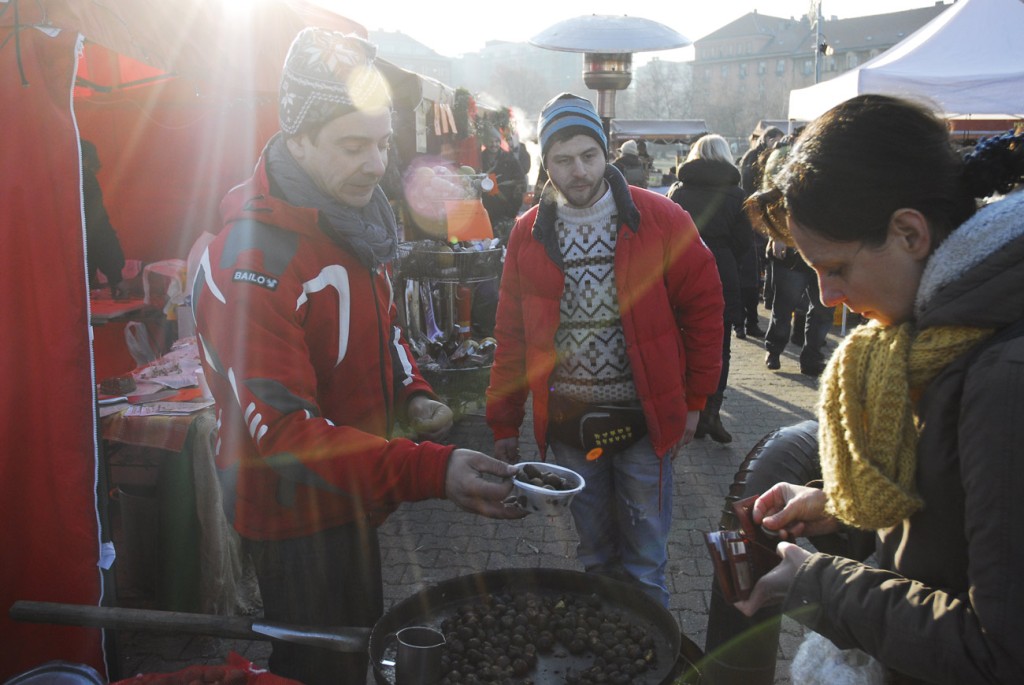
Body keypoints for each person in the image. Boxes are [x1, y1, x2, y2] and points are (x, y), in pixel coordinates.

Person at [190, 29, 525, 685]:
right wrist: (432, 470)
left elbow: (388, 328)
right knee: (319, 665)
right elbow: (288, 436)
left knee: (357, 646)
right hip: (292, 516)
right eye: (352, 144)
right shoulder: (252, 260)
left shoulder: (352, 215)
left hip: (352, 494)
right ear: (298, 137)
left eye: (381, 143)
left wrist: (413, 393)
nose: (376, 165)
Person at [730, 95, 1024, 684]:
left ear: (910, 233)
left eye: (835, 267)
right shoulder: (936, 339)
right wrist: (837, 509)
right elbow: (949, 521)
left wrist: (819, 585)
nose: (827, 296)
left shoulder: (1002, 378)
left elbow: (1000, 652)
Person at [485, 92, 724, 607]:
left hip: (645, 417)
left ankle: (651, 654)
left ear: (606, 152)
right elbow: (512, 335)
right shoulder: (527, 234)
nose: (578, 170)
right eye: (564, 159)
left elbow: (705, 311)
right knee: (596, 558)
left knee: (645, 564)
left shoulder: (661, 218)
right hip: (571, 425)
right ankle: (606, 653)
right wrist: (504, 422)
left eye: (589, 156)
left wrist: (696, 402)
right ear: (545, 164)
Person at [668, 134, 755, 444]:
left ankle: (684, 408)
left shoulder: (679, 191)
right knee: (720, 347)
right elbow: (745, 242)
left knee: (681, 339)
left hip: (683, 271)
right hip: (722, 269)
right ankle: (710, 413)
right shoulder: (736, 194)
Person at [81, 139, 126, 297]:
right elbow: (98, 224)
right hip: (88, 245)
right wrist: (115, 277)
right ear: (86, 159)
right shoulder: (85, 179)